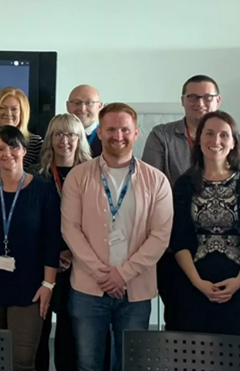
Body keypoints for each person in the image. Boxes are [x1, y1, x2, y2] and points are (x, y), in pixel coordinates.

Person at [61, 103, 172, 371]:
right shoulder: (78, 177)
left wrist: (122, 274)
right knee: (88, 364)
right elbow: (70, 229)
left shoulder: (156, 180)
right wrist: (103, 273)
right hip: (88, 288)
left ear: (136, 133)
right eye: (111, 129)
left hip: (136, 290)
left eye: (125, 129)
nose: (118, 135)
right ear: (100, 132)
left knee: (131, 364)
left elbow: (160, 236)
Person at [141, 74, 240, 330]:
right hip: (175, 245)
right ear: (182, 101)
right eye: (192, 96)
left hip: (228, 252)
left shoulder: (237, 140)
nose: (199, 102)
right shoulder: (162, 136)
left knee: (229, 329)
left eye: (207, 97)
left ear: (218, 101)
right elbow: (151, 187)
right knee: (181, 324)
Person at [0, 125, 60, 371]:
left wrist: (48, 285)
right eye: (0, 148)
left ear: (24, 150)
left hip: (30, 288)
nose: (7, 153)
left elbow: (52, 241)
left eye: (13, 147)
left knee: (21, 361)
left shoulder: (44, 189)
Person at [169, 111, 240, 340]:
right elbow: (179, 239)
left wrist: (239, 282)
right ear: (198, 139)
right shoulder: (184, 184)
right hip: (194, 284)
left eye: (224, 135)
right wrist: (197, 282)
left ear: (234, 143)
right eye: (209, 134)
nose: (216, 141)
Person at [31, 114, 95, 371]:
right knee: (40, 330)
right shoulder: (36, 175)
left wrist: (73, 252)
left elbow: (99, 221)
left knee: (72, 332)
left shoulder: (94, 174)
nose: (64, 140)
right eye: (58, 134)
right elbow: (31, 223)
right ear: (50, 138)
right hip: (44, 264)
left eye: (71, 134)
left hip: (81, 266)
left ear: (80, 139)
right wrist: (53, 254)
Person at [0, 87, 42, 168]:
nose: (8, 113)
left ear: (22, 113)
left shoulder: (36, 143)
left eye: (14, 109)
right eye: (2, 108)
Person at [65, 85, 103, 157]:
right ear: (67, 105)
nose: (82, 109)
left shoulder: (107, 139)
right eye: (77, 103)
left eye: (89, 103)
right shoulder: (56, 138)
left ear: (100, 106)